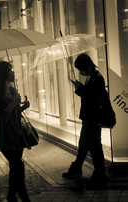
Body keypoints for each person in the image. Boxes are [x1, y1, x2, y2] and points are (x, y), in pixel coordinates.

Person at [62, 54, 107, 189]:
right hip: (89, 119)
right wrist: (80, 87)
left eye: (81, 70)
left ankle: (99, 174)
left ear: (89, 66)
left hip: (93, 120)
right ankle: (77, 168)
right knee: (84, 145)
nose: (80, 73)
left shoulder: (97, 79)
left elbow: (92, 98)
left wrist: (79, 88)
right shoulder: (92, 78)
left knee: (94, 147)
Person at [0, 61, 31, 202]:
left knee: (14, 166)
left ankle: (11, 196)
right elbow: (0, 116)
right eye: (10, 70)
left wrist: (22, 107)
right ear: (3, 74)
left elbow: (14, 113)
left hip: (17, 133)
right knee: (18, 166)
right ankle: (25, 198)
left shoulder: (12, 90)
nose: (13, 73)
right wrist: (13, 104)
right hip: (6, 136)